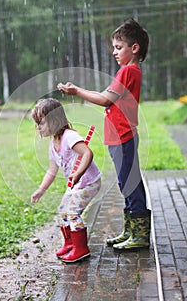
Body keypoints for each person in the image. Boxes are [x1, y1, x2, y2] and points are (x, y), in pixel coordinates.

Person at [58, 19, 151, 252]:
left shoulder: (127, 71)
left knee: (130, 183)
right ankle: (131, 230)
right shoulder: (128, 71)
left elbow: (105, 99)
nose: (114, 52)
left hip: (123, 137)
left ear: (135, 48)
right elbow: (104, 95)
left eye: (119, 47)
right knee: (126, 183)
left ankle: (139, 234)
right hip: (118, 138)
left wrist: (76, 91)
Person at [31, 98, 101, 262]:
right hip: (76, 184)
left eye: (41, 123)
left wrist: (78, 173)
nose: (38, 127)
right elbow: (52, 170)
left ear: (54, 121)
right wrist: (41, 189)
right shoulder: (53, 143)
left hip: (89, 182)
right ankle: (70, 244)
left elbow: (87, 153)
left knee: (72, 212)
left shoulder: (69, 136)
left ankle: (81, 248)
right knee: (63, 211)